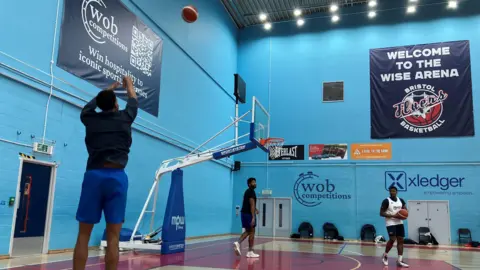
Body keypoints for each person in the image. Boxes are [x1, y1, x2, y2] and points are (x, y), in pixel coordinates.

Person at [73, 76, 138, 270]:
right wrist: (129, 84)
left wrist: (109, 89)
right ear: (116, 105)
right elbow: (133, 101)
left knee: (83, 235)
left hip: (93, 177)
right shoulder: (125, 118)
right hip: (116, 178)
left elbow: (88, 107)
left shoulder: (90, 119)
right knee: (113, 237)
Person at [380, 186, 409, 268]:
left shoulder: (401, 200)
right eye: (391, 191)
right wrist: (393, 215)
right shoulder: (386, 201)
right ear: (389, 192)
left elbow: (405, 211)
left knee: (400, 240)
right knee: (392, 239)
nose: (392, 192)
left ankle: (400, 260)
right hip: (390, 222)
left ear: (397, 192)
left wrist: (404, 214)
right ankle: (385, 255)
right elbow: (381, 213)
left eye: (394, 191)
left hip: (399, 222)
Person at [233, 177, 260, 258]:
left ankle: (241, 245)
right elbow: (251, 204)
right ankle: (249, 250)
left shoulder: (247, 191)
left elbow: (248, 203)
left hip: (244, 213)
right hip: (248, 214)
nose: (255, 183)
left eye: (255, 182)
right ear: (249, 184)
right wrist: (253, 217)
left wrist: (255, 209)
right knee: (251, 231)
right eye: (253, 182)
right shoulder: (251, 192)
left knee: (249, 231)